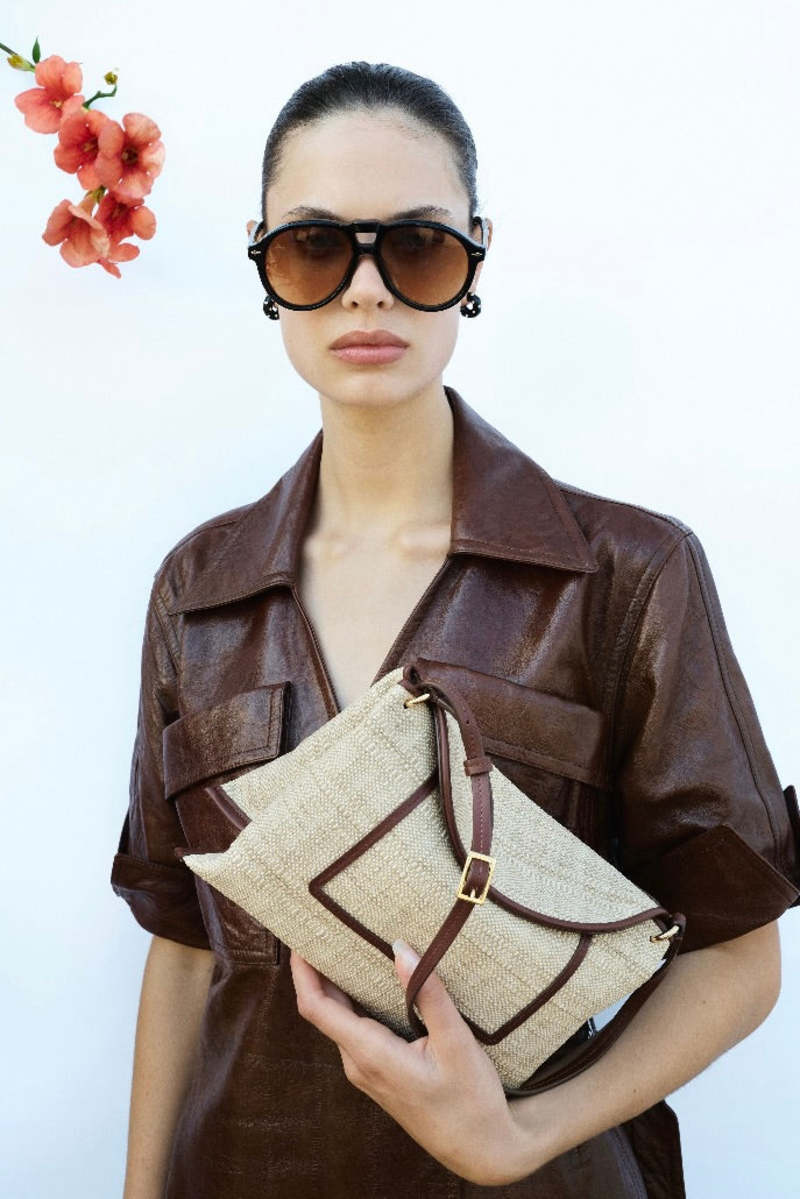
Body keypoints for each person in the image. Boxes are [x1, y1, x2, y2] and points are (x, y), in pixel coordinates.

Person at [110, 60, 800, 1198]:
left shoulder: (627, 573)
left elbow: (737, 949)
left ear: (475, 255)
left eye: (417, 247)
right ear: (265, 264)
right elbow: (184, 943)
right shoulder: (197, 588)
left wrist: (521, 1135)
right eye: (315, 247)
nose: (365, 291)